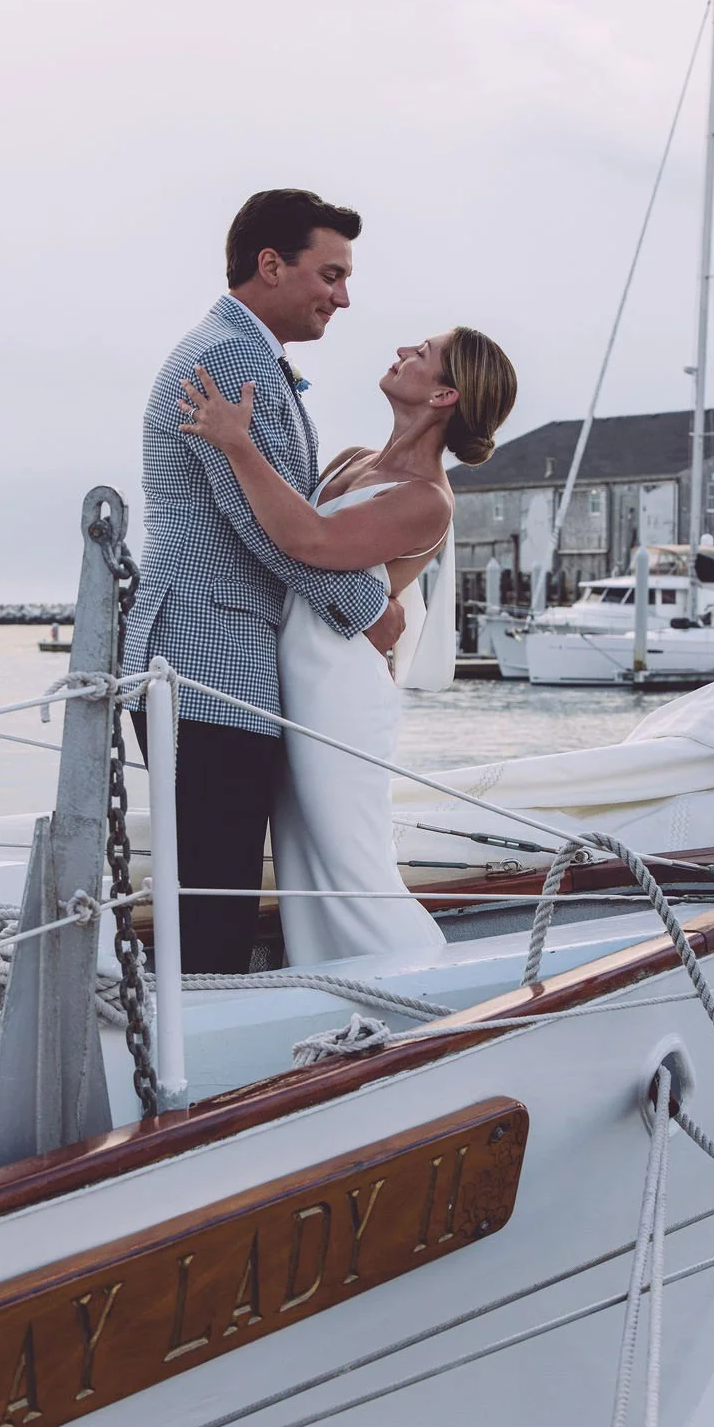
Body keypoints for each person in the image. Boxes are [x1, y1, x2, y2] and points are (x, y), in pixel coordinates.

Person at [123, 190, 405, 974]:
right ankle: (199, 1041)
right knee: (217, 885)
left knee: (220, 878)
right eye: (331, 274)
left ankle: (205, 1025)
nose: (342, 298)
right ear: (271, 264)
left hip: (213, 654)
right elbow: (269, 526)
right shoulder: (230, 359)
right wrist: (371, 611)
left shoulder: (245, 354)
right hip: (203, 655)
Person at [177, 326, 518, 964]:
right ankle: (327, 985)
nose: (403, 351)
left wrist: (236, 443)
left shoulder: (428, 501)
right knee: (301, 856)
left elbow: (310, 541)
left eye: (422, 354)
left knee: (348, 859)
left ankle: (421, 980)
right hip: (289, 674)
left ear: (444, 394)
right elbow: (276, 529)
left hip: (341, 693)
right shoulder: (349, 460)